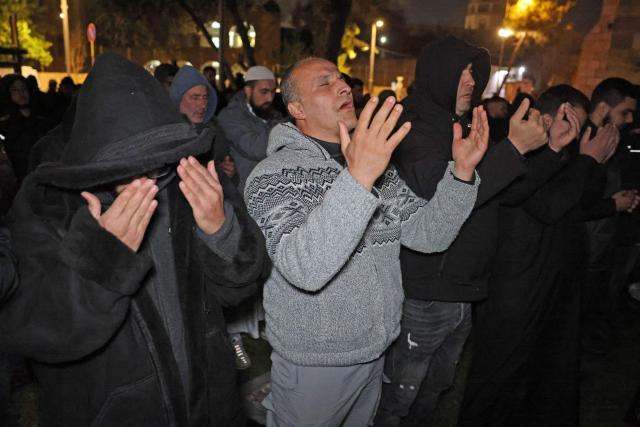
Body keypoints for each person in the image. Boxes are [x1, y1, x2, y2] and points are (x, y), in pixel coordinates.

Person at [0, 53, 269, 426]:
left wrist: (219, 230)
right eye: (127, 167)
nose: (146, 178)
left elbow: (238, 290)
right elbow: (33, 332)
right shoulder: (49, 207)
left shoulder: (185, 179)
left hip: (209, 402)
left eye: (156, 162)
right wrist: (103, 259)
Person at [245, 56, 487, 426]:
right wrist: (358, 179)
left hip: (376, 351)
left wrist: (463, 174)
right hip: (315, 365)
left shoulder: (375, 169)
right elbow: (304, 267)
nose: (343, 86)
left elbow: (429, 235)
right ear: (296, 108)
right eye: (325, 83)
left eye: (341, 79)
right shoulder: (273, 176)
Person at [375, 36, 552, 426]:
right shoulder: (412, 126)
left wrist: (546, 151)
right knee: (399, 395)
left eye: (475, 72)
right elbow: (444, 195)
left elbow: (502, 189)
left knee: (436, 385)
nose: (472, 82)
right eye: (463, 72)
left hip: (462, 285)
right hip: (426, 290)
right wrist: (514, 151)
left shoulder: (467, 123)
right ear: (438, 75)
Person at [458, 84, 617, 426]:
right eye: (574, 123)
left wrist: (594, 162)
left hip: (546, 283)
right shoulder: (518, 153)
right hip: (512, 287)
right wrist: (586, 159)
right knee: (495, 379)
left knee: (532, 380)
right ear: (551, 117)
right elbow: (548, 205)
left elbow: (579, 200)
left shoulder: (562, 153)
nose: (578, 134)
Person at [218, 65, 283, 191]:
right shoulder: (230, 117)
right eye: (264, 92)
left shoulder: (275, 116)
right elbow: (257, 148)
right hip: (245, 197)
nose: (270, 98)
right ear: (248, 91)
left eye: (273, 92)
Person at [169, 65, 235, 179]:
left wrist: (229, 173)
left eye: (205, 97)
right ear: (178, 99)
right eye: (195, 97)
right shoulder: (165, 136)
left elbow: (230, 175)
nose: (203, 105)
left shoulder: (215, 132)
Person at [0, 74, 54, 184]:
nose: (21, 93)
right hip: (17, 180)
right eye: (15, 90)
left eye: (24, 88)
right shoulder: (4, 124)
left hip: (43, 176)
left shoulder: (42, 120)